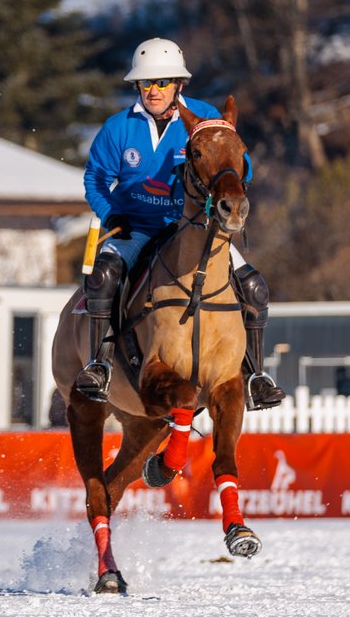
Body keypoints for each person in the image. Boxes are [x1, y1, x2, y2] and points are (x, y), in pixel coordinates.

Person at [75, 37, 284, 409]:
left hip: (192, 230)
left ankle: (254, 375)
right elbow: (94, 179)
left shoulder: (203, 118)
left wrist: (233, 179)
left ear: (179, 85)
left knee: (254, 288)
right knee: (104, 276)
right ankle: (100, 365)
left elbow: (237, 162)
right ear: (136, 85)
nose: (153, 91)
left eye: (162, 82)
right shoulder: (118, 127)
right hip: (135, 229)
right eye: (145, 83)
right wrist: (112, 215)